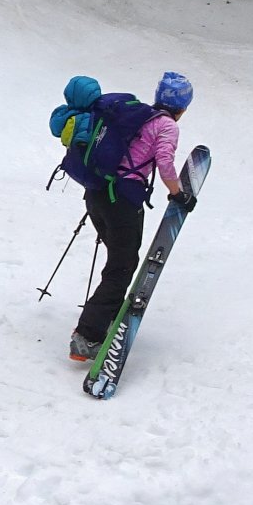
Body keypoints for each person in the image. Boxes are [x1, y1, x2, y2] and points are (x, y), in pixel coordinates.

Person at [70, 72, 197, 362]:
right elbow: (164, 161)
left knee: (120, 261)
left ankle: (101, 320)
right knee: (122, 266)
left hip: (97, 194)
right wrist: (178, 193)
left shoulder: (139, 116)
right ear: (183, 107)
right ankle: (87, 336)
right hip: (122, 200)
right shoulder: (166, 125)